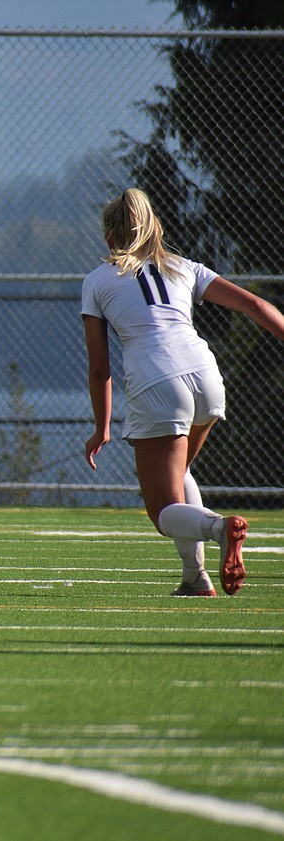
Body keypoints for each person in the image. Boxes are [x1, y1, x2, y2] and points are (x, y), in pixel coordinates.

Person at [81, 188, 284, 596]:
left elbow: (100, 367)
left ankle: (219, 528)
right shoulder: (183, 267)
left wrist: (101, 428)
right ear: (154, 227)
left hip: (158, 382)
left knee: (161, 512)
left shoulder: (98, 280)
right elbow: (257, 307)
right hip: (206, 375)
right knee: (180, 472)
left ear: (108, 237)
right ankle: (195, 577)